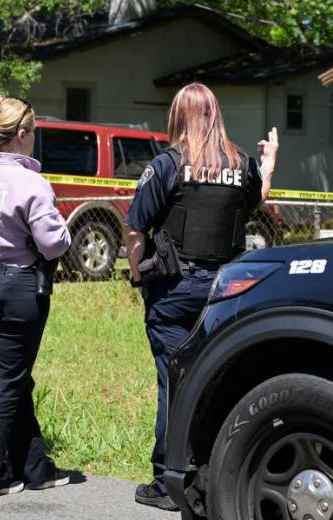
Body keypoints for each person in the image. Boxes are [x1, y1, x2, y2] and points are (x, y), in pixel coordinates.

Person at [126, 82, 278, 511]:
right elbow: (256, 202)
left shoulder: (168, 164)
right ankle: (219, 471)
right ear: (215, 115)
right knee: (220, 381)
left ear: (178, 117)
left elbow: (136, 226)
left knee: (174, 383)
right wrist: (269, 164)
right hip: (227, 292)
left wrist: (138, 275)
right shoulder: (242, 164)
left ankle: (166, 481)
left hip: (175, 291)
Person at [0, 94, 71, 497]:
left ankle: (36, 468)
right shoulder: (30, 183)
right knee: (5, 381)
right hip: (17, 287)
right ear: (22, 134)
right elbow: (54, 244)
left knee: (10, 376)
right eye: (34, 132)